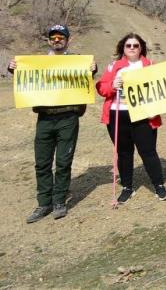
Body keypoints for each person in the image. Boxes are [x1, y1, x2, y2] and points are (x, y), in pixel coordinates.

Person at [7, 25, 97, 223]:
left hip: (68, 117)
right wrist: (14, 68)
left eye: (61, 37)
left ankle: (59, 201)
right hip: (45, 118)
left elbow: (86, 79)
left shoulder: (76, 61)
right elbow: (27, 80)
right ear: (49, 40)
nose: (57, 40)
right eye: (53, 37)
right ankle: (43, 203)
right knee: (42, 162)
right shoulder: (37, 63)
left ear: (67, 40)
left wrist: (92, 70)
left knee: (63, 162)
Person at [95, 34, 166, 203]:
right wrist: (113, 86)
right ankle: (127, 187)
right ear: (123, 47)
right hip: (118, 114)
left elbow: (160, 92)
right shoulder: (114, 66)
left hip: (143, 115)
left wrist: (154, 110)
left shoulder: (149, 65)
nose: (132, 48)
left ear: (141, 47)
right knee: (123, 152)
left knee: (148, 151)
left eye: (135, 45)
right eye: (128, 45)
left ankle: (159, 186)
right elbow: (102, 88)